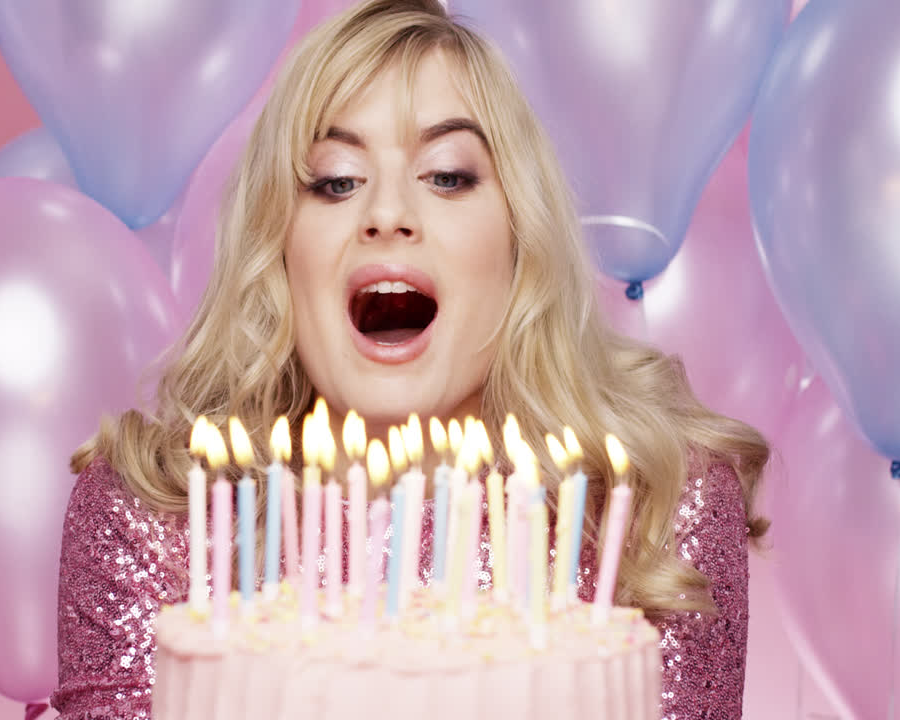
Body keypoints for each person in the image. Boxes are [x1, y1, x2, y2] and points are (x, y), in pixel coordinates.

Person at [51, 1, 769, 718]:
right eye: (336, 179)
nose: (387, 214)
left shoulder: (654, 508)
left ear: (520, 239)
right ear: (279, 246)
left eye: (447, 175)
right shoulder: (157, 510)